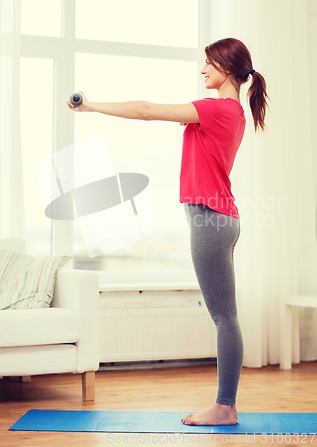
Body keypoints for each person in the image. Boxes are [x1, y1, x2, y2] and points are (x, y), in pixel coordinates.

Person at [67, 37, 268, 426]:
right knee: (225, 316)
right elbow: (160, 114)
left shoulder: (216, 109)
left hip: (210, 219)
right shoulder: (230, 112)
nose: (202, 69)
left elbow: (145, 110)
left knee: (224, 317)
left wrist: (91, 105)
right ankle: (225, 404)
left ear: (227, 68)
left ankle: (225, 406)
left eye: (208, 63)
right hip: (220, 218)